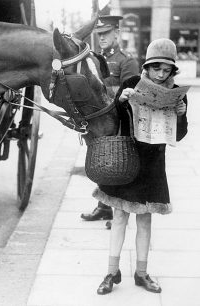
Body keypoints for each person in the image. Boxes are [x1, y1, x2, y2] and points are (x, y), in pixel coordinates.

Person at [95, 38, 188, 295]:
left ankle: (142, 273)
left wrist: (181, 114)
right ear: (147, 66)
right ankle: (112, 272)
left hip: (153, 165)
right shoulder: (130, 84)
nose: (161, 74)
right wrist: (121, 101)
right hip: (126, 160)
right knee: (119, 217)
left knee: (145, 219)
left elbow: (179, 135)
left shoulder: (177, 93)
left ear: (172, 70)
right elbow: (113, 119)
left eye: (166, 69)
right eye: (156, 68)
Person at [81, 15, 139, 223]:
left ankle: (118, 212)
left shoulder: (126, 61)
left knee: (118, 165)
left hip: (120, 121)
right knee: (102, 163)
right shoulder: (95, 59)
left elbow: (132, 93)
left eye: (106, 33)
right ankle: (103, 206)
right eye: (99, 34)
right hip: (100, 121)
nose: (102, 38)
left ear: (117, 33)